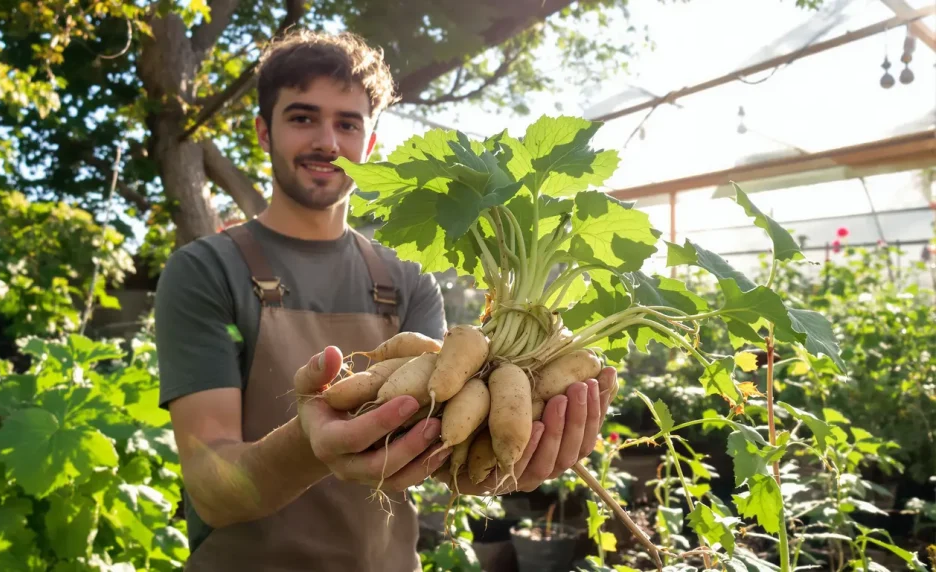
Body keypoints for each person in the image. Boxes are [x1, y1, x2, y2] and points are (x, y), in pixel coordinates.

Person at [153, 29, 619, 572]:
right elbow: (210, 490)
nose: (328, 141)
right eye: (302, 117)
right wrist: (310, 444)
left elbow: (440, 430)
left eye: (348, 123)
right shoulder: (206, 270)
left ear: (370, 143)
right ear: (263, 131)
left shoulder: (407, 278)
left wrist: (496, 456)